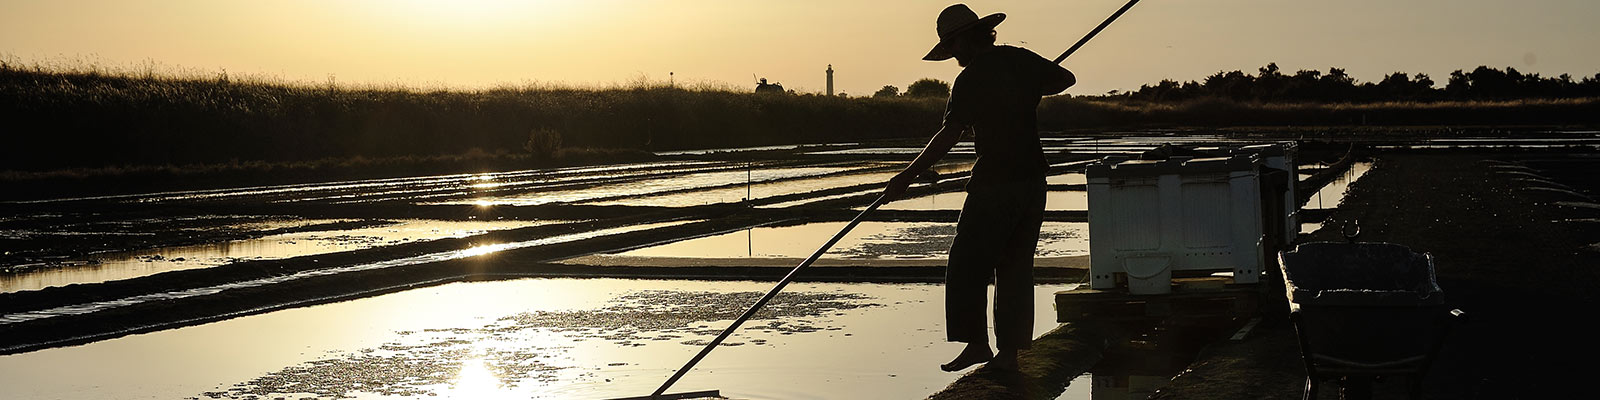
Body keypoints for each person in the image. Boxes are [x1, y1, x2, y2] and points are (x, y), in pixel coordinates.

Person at [882, 3, 1075, 372]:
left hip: (996, 183)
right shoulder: (1017, 59)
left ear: (967, 39)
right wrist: (1029, 84)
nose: (953, 54)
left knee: (966, 265)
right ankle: (1009, 354)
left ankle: (975, 344)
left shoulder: (970, 79)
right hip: (1033, 181)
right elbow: (1064, 79)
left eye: (954, 45)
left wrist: (906, 176)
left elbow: (949, 134)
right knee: (1015, 267)